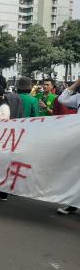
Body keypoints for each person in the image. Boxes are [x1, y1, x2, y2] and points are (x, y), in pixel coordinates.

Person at [56, 77, 80, 214]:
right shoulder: (78, 97)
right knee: (76, 174)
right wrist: (77, 83)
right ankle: (72, 204)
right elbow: (62, 99)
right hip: (77, 140)